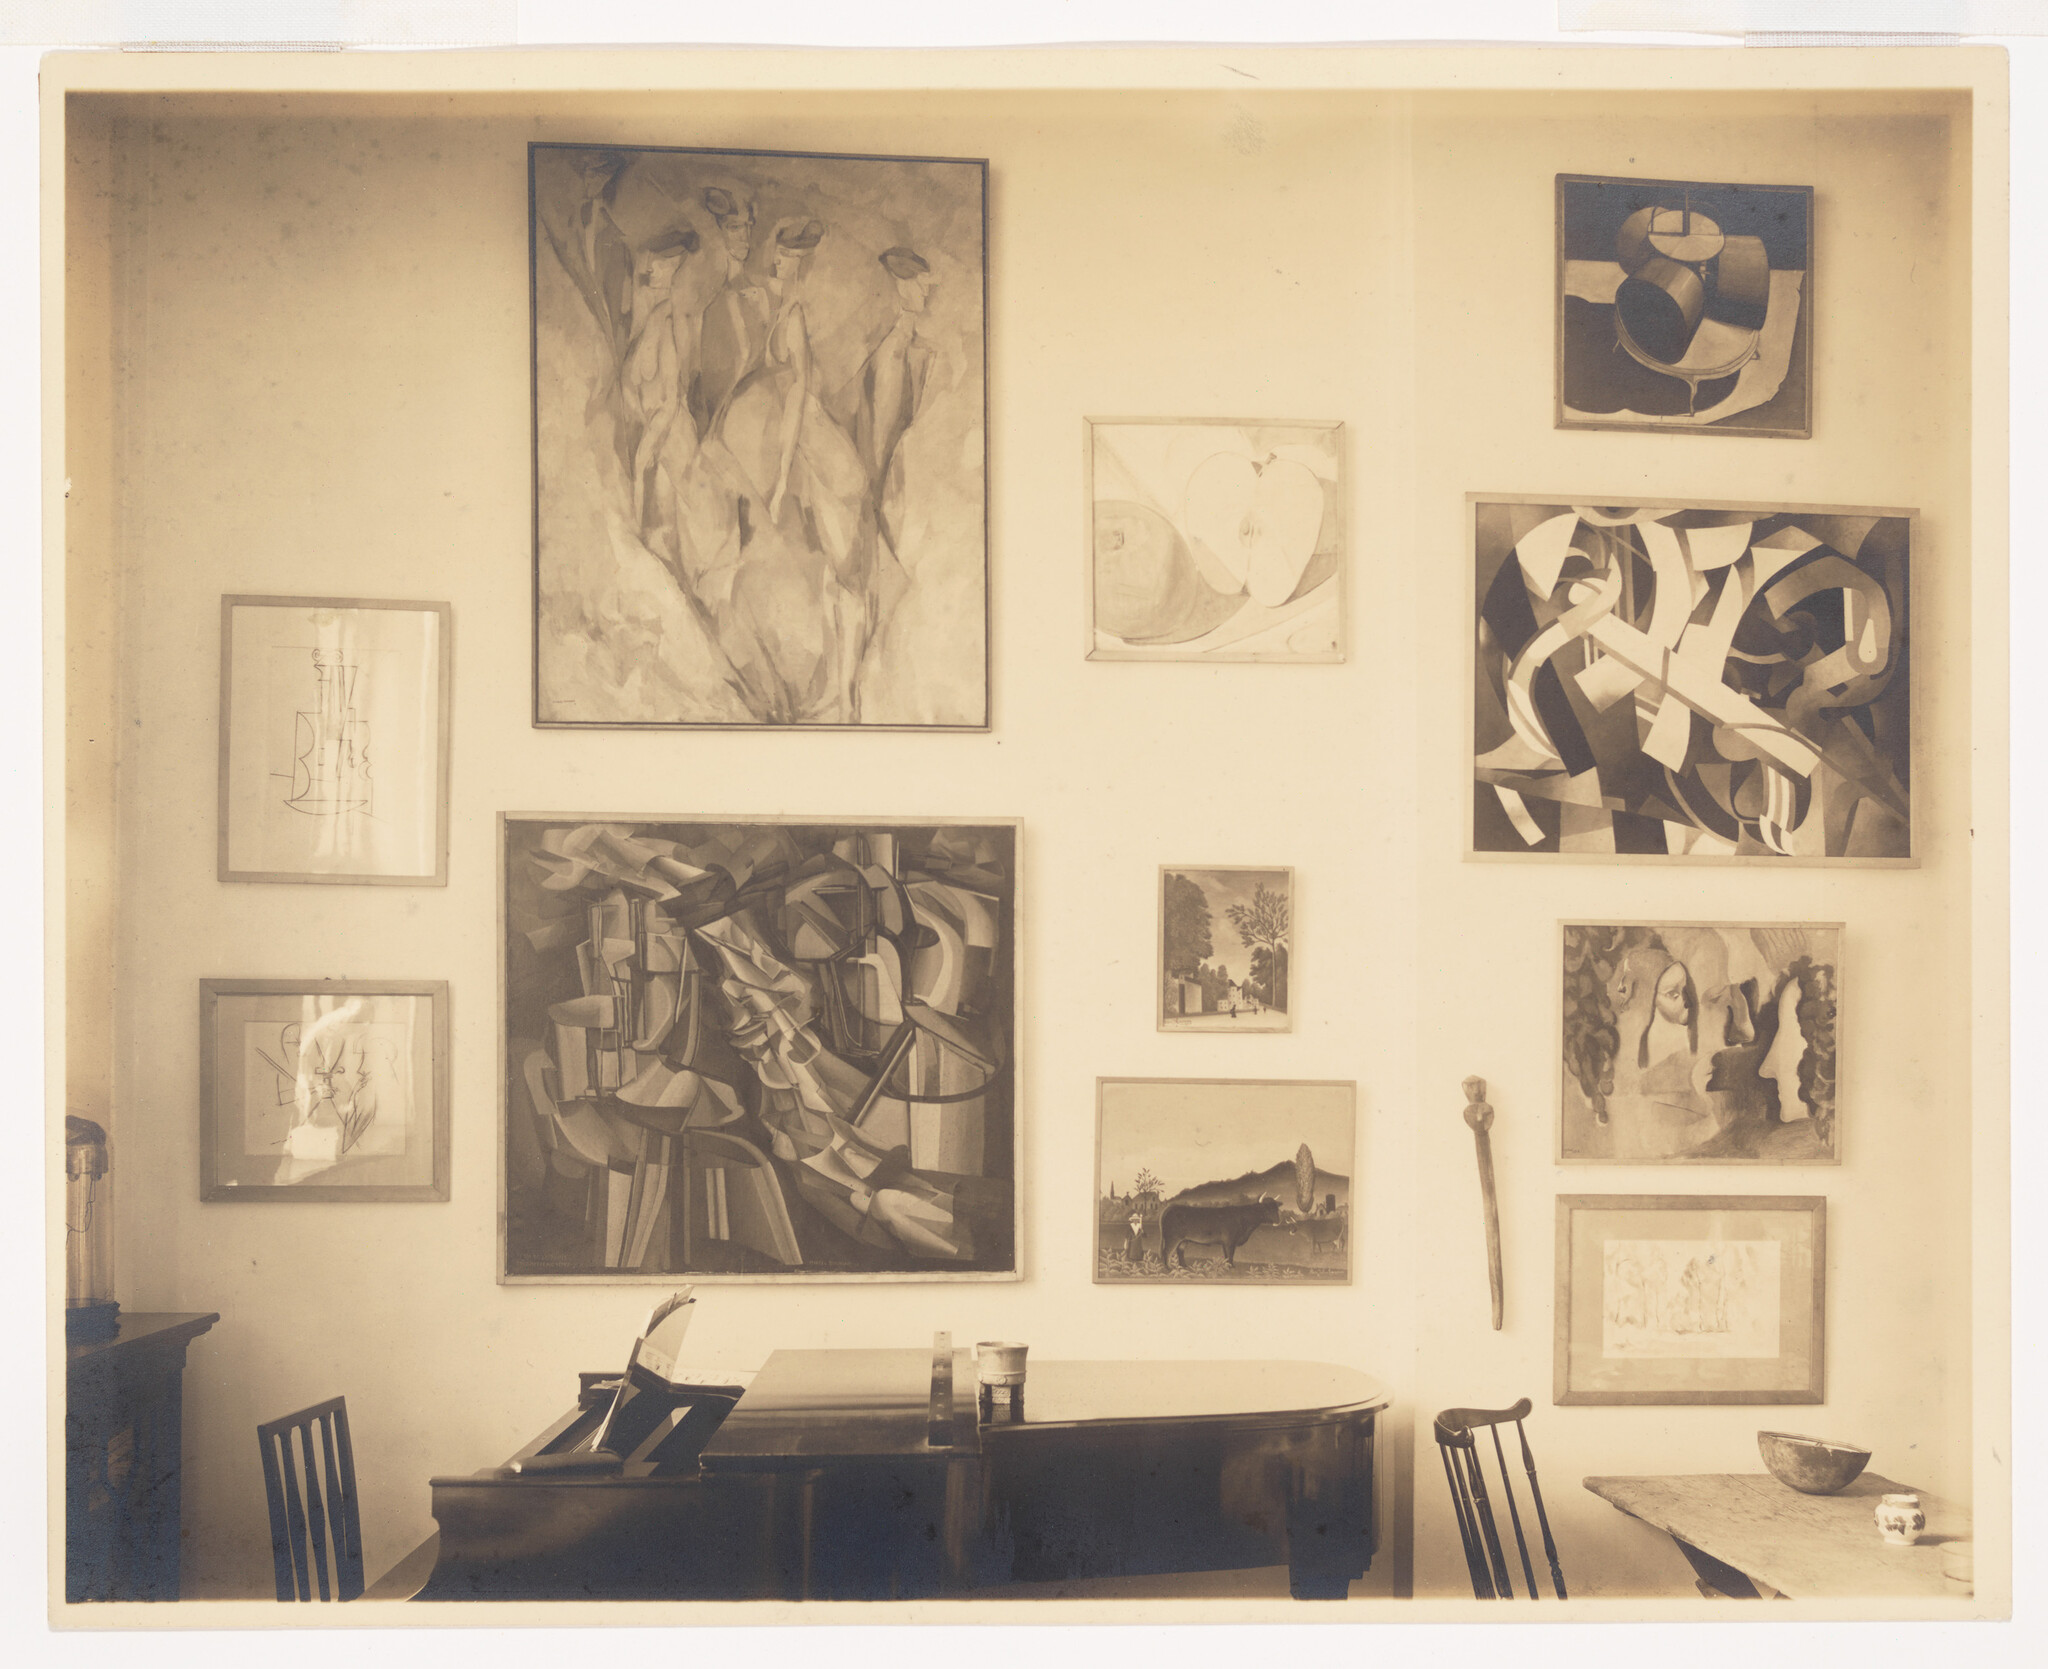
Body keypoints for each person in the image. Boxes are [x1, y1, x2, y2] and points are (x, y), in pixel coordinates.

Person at [710, 219, 895, 723]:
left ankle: (847, 694)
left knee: (845, 564)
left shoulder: (791, 315)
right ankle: (833, 689)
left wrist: (785, 472)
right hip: (795, 447)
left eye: (794, 261)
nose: (784, 267)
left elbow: (797, 400)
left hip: (812, 449)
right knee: (826, 573)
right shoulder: (774, 308)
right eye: (783, 258)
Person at [853, 246, 937, 555]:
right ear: (902, 286)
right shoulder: (893, 354)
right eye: (919, 283)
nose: (925, 291)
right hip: (885, 497)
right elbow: (880, 448)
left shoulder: (916, 349)